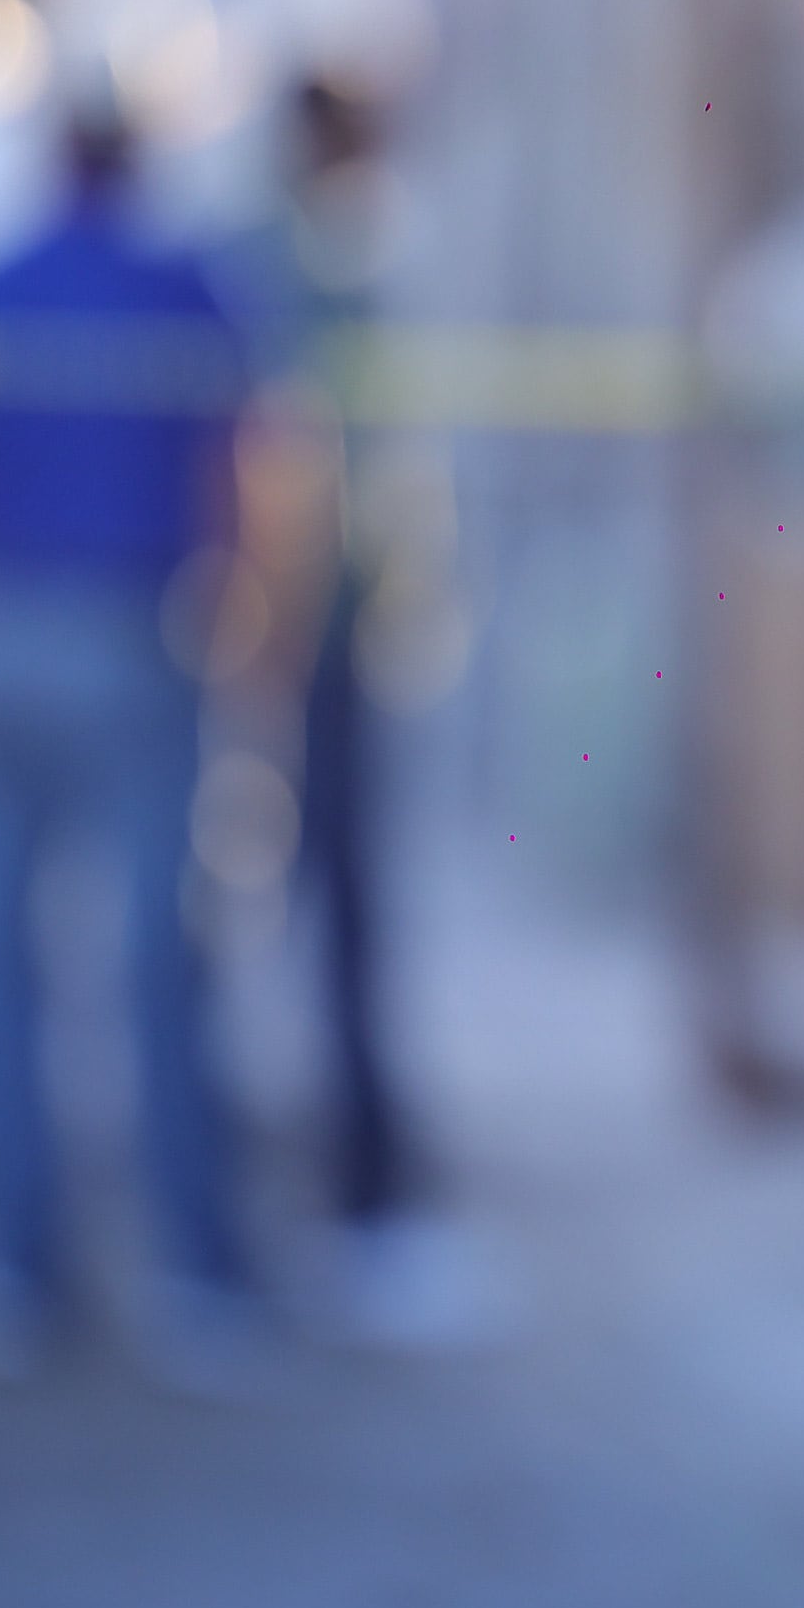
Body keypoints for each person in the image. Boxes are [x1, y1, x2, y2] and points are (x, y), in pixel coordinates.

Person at [0, 106, 259, 1388]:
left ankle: (12, 1258)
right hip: (134, 639)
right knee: (162, 959)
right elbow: (247, 468)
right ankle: (192, 1268)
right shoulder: (189, 289)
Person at [230, 70, 473, 1348]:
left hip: (327, 640)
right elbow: (298, 466)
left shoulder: (345, 254)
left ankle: (337, 1196)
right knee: (322, 927)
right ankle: (344, 1206)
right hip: (290, 644)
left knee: (330, 926)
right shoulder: (292, 264)